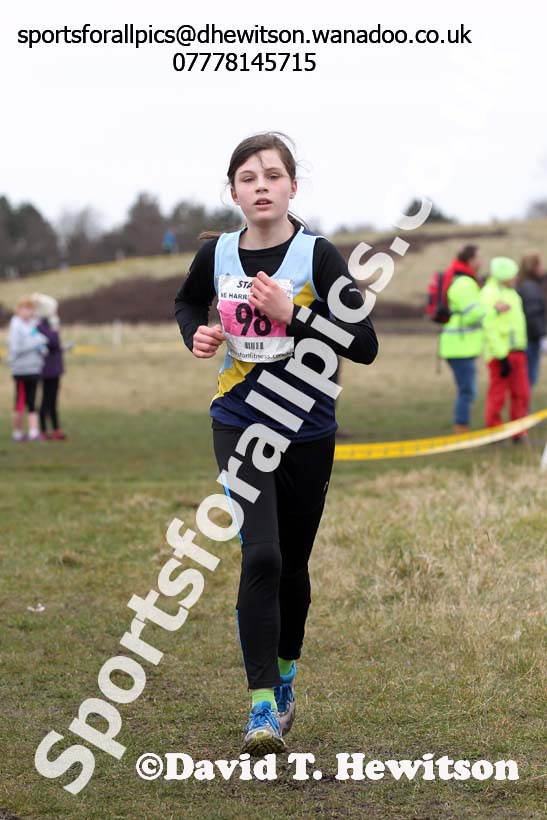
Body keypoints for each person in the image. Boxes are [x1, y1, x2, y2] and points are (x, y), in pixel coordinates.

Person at [174, 131, 378, 756]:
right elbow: (187, 303)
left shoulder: (318, 256)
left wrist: (297, 316)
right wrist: (197, 334)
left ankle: (285, 676)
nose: (260, 187)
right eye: (247, 178)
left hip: (307, 426)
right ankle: (261, 707)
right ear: (233, 192)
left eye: (271, 176)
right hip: (239, 418)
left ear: (292, 186)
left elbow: (364, 344)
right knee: (261, 555)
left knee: (292, 564)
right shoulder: (216, 255)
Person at [481, 257, 529, 439]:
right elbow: (489, 326)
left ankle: (519, 431)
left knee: (521, 393)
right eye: (512, 274)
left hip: (518, 352)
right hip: (500, 355)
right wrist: (501, 356)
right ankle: (495, 432)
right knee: (497, 395)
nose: (515, 278)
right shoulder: (489, 294)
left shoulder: (512, 293)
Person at [438, 245, 485, 432]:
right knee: (467, 390)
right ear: (470, 260)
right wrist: (490, 309)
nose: (482, 261)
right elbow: (472, 314)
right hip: (459, 347)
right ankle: (461, 428)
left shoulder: (461, 280)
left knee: (466, 389)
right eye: (479, 257)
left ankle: (462, 425)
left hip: (459, 346)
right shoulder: (465, 283)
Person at [7, 298, 48, 442]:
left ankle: (33, 432)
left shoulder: (32, 325)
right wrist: (36, 344)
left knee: (32, 401)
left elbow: (40, 340)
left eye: (30, 309)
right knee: (20, 401)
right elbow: (16, 348)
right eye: (24, 308)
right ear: (18, 310)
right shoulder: (15, 325)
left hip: (34, 368)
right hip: (21, 370)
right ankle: (17, 433)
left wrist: (42, 348)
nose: (27, 312)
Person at [31, 292, 66, 440]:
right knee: (46, 400)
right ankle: (44, 430)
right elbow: (52, 342)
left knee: (53, 401)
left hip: (55, 368)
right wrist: (55, 329)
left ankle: (56, 429)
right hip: (47, 369)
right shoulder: (40, 326)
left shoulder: (48, 325)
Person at [516, 254, 546, 394]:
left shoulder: (525, 284)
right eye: (539, 265)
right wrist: (542, 335)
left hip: (528, 337)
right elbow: (533, 314)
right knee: (528, 378)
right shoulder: (530, 288)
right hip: (530, 339)